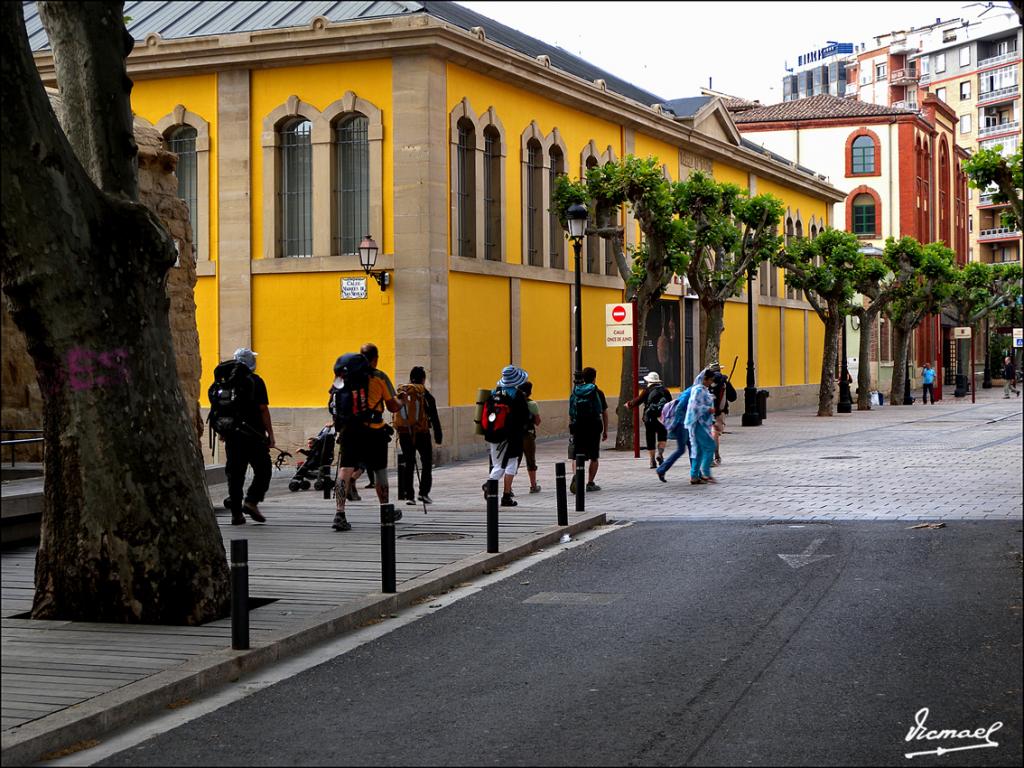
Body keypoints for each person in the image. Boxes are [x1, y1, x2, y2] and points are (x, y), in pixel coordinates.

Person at [331, 344, 406, 532]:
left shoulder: (345, 376)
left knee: (345, 469)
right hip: (374, 431)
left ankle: (339, 513)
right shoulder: (379, 376)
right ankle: (385, 510)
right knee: (380, 470)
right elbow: (392, 406)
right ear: (375, 358)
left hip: (349, 429)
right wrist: (402, 399)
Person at [224, 348, 274, 525]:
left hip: (232, 436)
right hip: (254, 435)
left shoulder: (225, 381)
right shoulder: (256, 381)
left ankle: (236, 514)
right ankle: (252, 501)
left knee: (235, 475)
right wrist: (270, 434)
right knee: (264, 469)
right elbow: (263, 409)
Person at [482, 365, 531, 507]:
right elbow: (524, 417)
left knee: (497, 464)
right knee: (511, 464)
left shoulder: (494, 393)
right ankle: (504, 494)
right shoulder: (517, 395)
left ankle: (492, 487)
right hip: (512, 436)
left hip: (494, 434)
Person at [395, 366, 443, 505]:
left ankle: (409, 495)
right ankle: (423, 493)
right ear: (423, 379)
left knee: (409, 463)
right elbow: (434, 416)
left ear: (410, 378)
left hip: (405, 433)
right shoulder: (426, 395)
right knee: (427, 462)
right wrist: (438, 436)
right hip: (422, 433)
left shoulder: (402, 392)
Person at [568, 367, 608, 493]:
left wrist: (572, 426)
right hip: (594, 425)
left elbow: (571, 412)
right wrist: (605, 430)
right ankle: (590, 483)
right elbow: (604, 412)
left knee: (577, 455)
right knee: (594, 456)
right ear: (594, 378)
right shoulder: (597, 392)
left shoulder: (575, 391)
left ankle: (576, 475)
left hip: (578, 426)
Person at [627, 371, 671, 469]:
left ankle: (652, 461)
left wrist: (629, 404)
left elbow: (638, 400)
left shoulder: (647, 390)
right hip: (662, 418)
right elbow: (670, 404)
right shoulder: (665, 390)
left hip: (650, 418)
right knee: (662, 436)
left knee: (650, 437)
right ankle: (660, 454)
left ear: (649, 381)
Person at [684, 367, 718, 485]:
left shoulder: (703, 390)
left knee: (697, 450)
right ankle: (706, 472)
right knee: (710, 446)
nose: (711, 383)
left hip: (703, 423)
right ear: (705, 379)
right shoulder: (698, 390)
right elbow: (694, 407)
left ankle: (694, 476)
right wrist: (708, 409)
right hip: (698, 423)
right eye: (710, 380)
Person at [655, 383, 693, 483]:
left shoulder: (693, 390)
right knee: (681, 449)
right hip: (682, 424)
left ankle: (696, 474)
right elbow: (680, 406)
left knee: (692, 447)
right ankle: (661, 469)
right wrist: (675, 423)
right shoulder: (692, 391)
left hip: (686, 423)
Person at [707, 362, 736, 465]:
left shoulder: (707, 382)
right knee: (715, 433)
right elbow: (733, 397)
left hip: (708, 412)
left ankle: (712, 456)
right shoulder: (724, 382)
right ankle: (716, 455)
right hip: (720, 412)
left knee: (709, 433)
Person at [519, 381, 542, 493]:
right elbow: (538, 421)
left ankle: (508, 489)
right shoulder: (532, 404)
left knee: (513, 462)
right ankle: (533, 486)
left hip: (515, 435)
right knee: (530, 460)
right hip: (528, 434)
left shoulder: (514, 403)